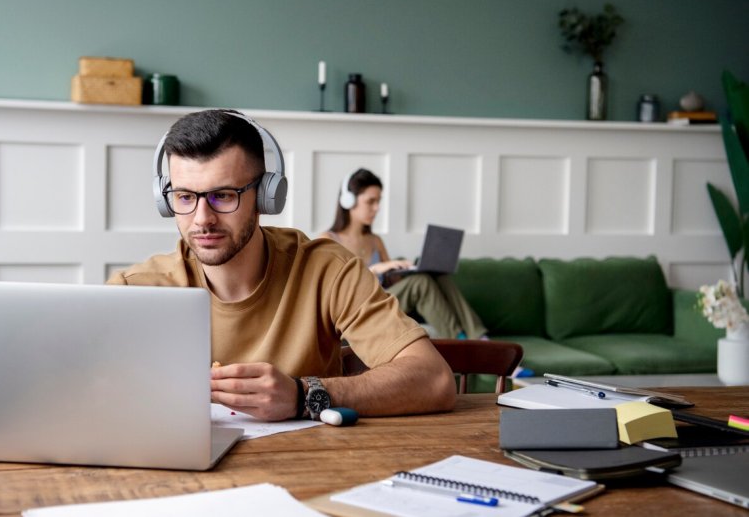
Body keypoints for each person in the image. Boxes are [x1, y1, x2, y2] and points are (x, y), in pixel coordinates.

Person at [107, 109, 455, 422]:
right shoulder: (133, 289)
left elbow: (434, 379)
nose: (202, 219)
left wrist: (304, 396)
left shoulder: (328, 270)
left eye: (223, 195)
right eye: (185, 197)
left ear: (265, 198)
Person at [321, 168, 486, 340]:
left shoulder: (375, 240)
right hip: (358, 308)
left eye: (378, 201)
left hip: (385, 299)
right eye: (370, 201)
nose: (376, 208)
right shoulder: (328, 240)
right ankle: (462, 341)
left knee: (437, 277)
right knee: (420, 284)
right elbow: (331, 290)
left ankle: (480, 337)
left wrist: (406, 269)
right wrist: (375, 269)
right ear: (348, 201)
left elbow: (393, 283)